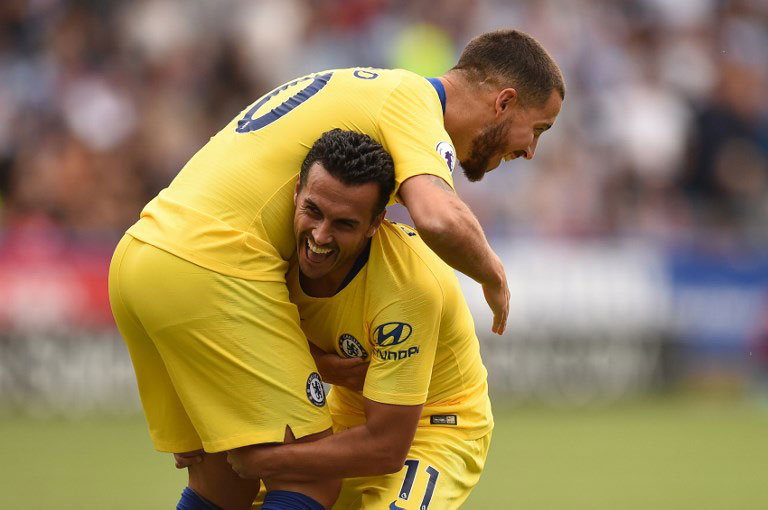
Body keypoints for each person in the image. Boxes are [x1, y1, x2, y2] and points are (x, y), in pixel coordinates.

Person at [109, 28, 563, 510]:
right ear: (504, 102)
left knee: (223, 485)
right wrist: (492, 274)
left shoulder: (360, 90)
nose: (530, 150)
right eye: (538, 130)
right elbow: (436, 215)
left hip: (142, 256)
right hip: (214, 265)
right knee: (305, 477)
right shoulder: (410, 101)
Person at [220, 128, 494, 509]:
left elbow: (385, 448)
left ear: (374, 223)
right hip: (348, 412)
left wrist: (264, 462)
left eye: (344, 224)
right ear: (297, 190)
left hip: (436, 428)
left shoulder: (407, 288)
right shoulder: (267, 245)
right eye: (313, 211)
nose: (319, 236)